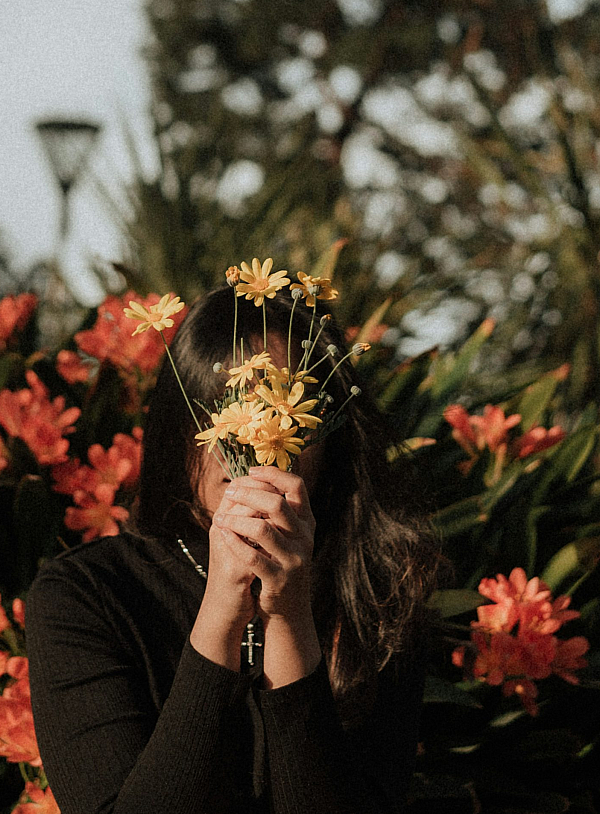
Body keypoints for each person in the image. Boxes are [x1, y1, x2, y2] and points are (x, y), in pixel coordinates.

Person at [26, 284, 440, 814]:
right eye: (220, 412)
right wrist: (222, 608)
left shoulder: (379, 592)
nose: (246, 439)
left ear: (328, 436)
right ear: (180, 428)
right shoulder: (85, 595)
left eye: (281, 414)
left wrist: (288, 616)